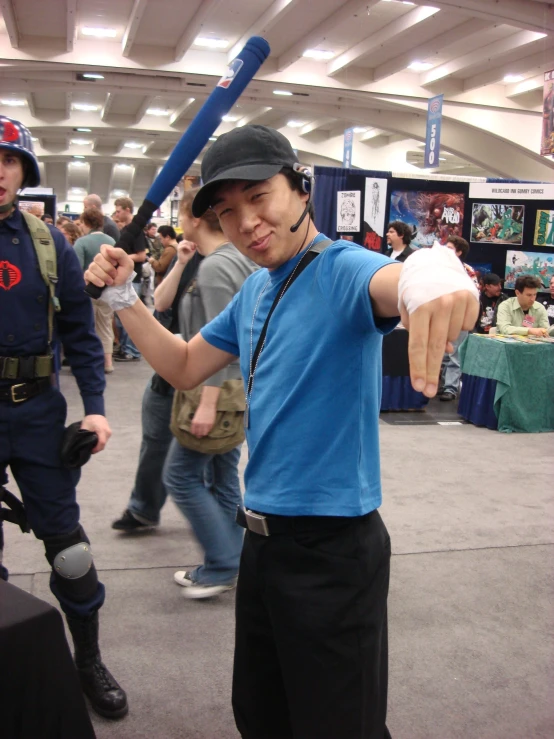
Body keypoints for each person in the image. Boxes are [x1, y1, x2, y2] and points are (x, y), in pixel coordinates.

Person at [85, 124, 478, 739]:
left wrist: (430, 268)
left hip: (333, 549)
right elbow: (185, 364)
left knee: (337, 726)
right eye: (227, 211)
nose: (246, 223)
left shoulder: (343, 271)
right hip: (261, 542)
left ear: (299, 189)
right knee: (263, 717)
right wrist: (123, 298)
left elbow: (391, 284)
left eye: (259, 197)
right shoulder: (257, 289)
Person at [0, 115, 127, 719]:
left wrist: (96, 410)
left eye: (7, 160)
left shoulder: (47, 243)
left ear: (24, 170)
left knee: (69, 551)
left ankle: (87, 661)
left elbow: (79, 332)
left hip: (37, 414)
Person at [74, 208, 116, 373]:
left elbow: (76, 269)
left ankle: (89, 362)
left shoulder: (81, 243)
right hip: (108, 290)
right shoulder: (112, 241)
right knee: (105, 325)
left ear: (85, 223)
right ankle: (108, 362)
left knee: (86, 327)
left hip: (88, 291)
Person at [439, 235, 477, 401]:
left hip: (460, 316)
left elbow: (475, 293)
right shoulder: (437, 268)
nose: (445, 251)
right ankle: (441, 384)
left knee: (455, 353)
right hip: (441, 314)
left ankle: (451, 388)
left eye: (450, 248)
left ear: (459, 252)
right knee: (442, 352)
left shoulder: (467, 270)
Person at [112, 196, 147, 361]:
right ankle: (125, 347)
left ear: (127, 210)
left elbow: (141, 256)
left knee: (131, 317)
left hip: (134, 278)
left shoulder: (136, 230)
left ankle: (132, 350)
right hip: (125, 278)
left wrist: (123, 257)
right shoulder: (124, 230)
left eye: (119, 210)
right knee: (122, 317)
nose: (117, 214)